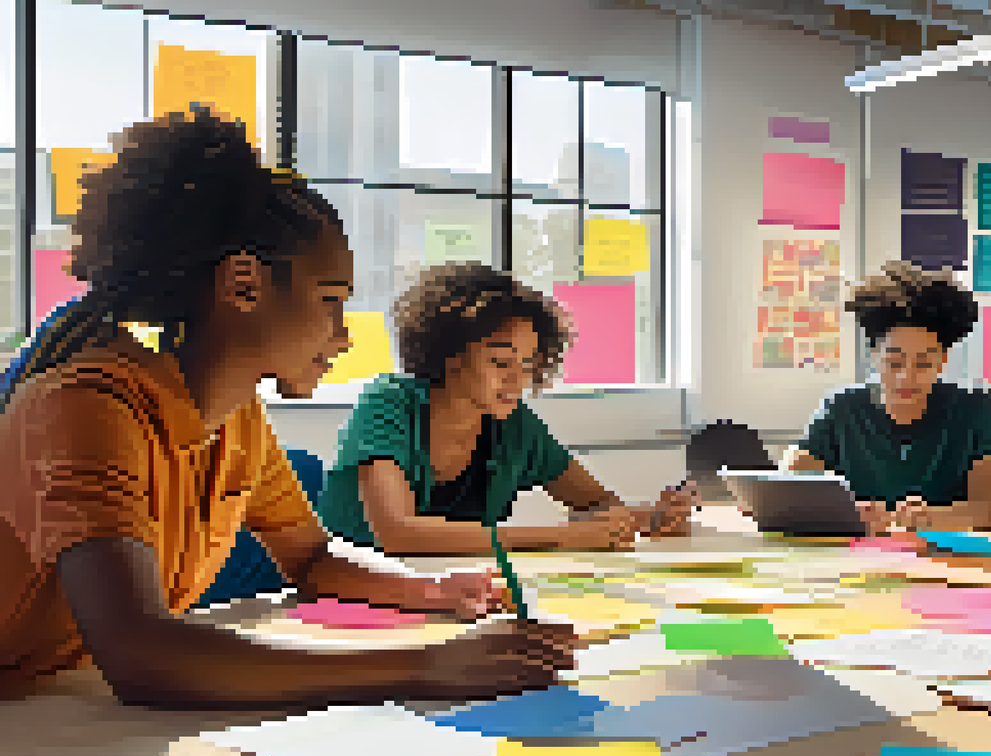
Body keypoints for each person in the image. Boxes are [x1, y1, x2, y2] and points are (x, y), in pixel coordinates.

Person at [0, 108, 575, 708]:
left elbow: (312, 556)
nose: (343, 335)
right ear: (243, 285)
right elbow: (140, 654)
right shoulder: (87, 407)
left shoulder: (237, 418)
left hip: (64, 706)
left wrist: (433, 592)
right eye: (330, 301)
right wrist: (426, 666)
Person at [317, 261, 697, 556]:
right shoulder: (387, 405)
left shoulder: (515, 425)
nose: (518, 382)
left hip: (456, 596)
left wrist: (645, 519)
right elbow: (399, 533)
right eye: (501, 363)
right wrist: (562, 537)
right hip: (352, 599)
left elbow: (597, 505)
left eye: (529, 365)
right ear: (449, 355)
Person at [784, 262, 991, 537]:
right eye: (894, 363)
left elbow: (988, 510)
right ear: (873, 355)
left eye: (923, 364)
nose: (907, 377)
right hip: (858, 555)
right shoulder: (841, 407)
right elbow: (788, 488)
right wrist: (848, 513)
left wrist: (929, 517)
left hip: (945, 555)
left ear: (942, 361)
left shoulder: (976, 409)